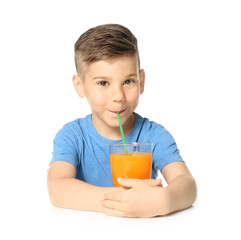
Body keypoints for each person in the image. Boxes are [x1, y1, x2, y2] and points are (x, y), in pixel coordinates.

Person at [47, 24, 197, 218]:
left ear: (141, 81)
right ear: (80, 86)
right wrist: (124, 201)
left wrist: (162, 200)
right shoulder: (73, 136)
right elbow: (57, 187)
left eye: (128, 81)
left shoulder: (154, 135)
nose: (118, 96)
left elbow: (187, 184)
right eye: (103, 83)